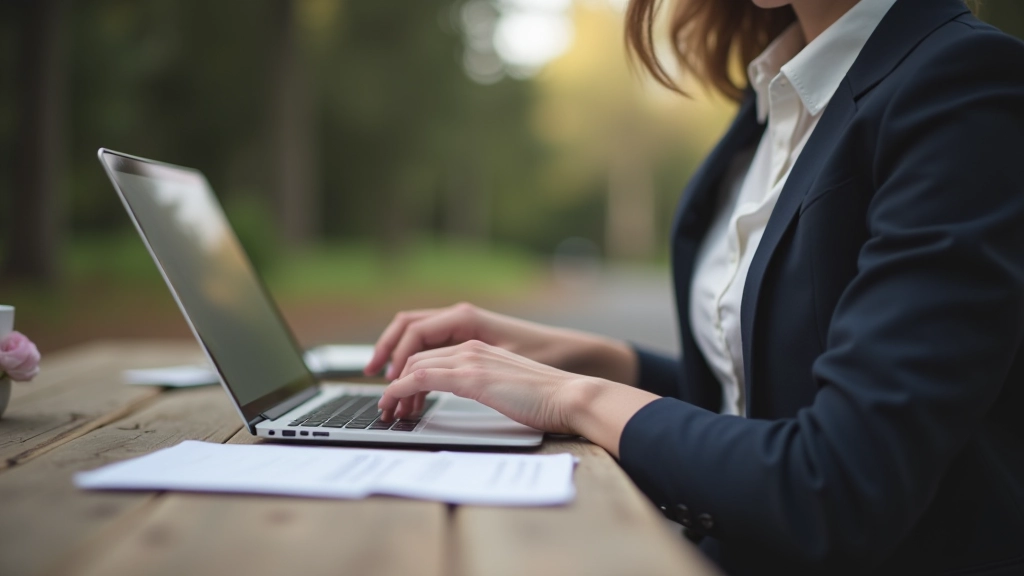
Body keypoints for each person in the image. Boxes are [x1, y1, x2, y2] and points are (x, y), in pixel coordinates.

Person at [368, 0, 1024, 573]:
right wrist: (595, 359)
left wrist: (573, 396)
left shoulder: (963, 86)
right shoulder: (782, 89)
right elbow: (763, 405)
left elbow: (837, 484)